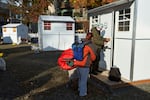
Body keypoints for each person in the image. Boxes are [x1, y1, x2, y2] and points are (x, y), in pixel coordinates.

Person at [69, 32, 96, 97]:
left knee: (80, 79)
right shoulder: (90, 46)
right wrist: (91, 61)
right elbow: (93, 58)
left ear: (86, 36)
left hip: (78, 64)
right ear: (92, 38)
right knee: (83, 80)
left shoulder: (81, 44)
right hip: (85, 65)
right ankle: (82, 94)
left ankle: (79, 89)